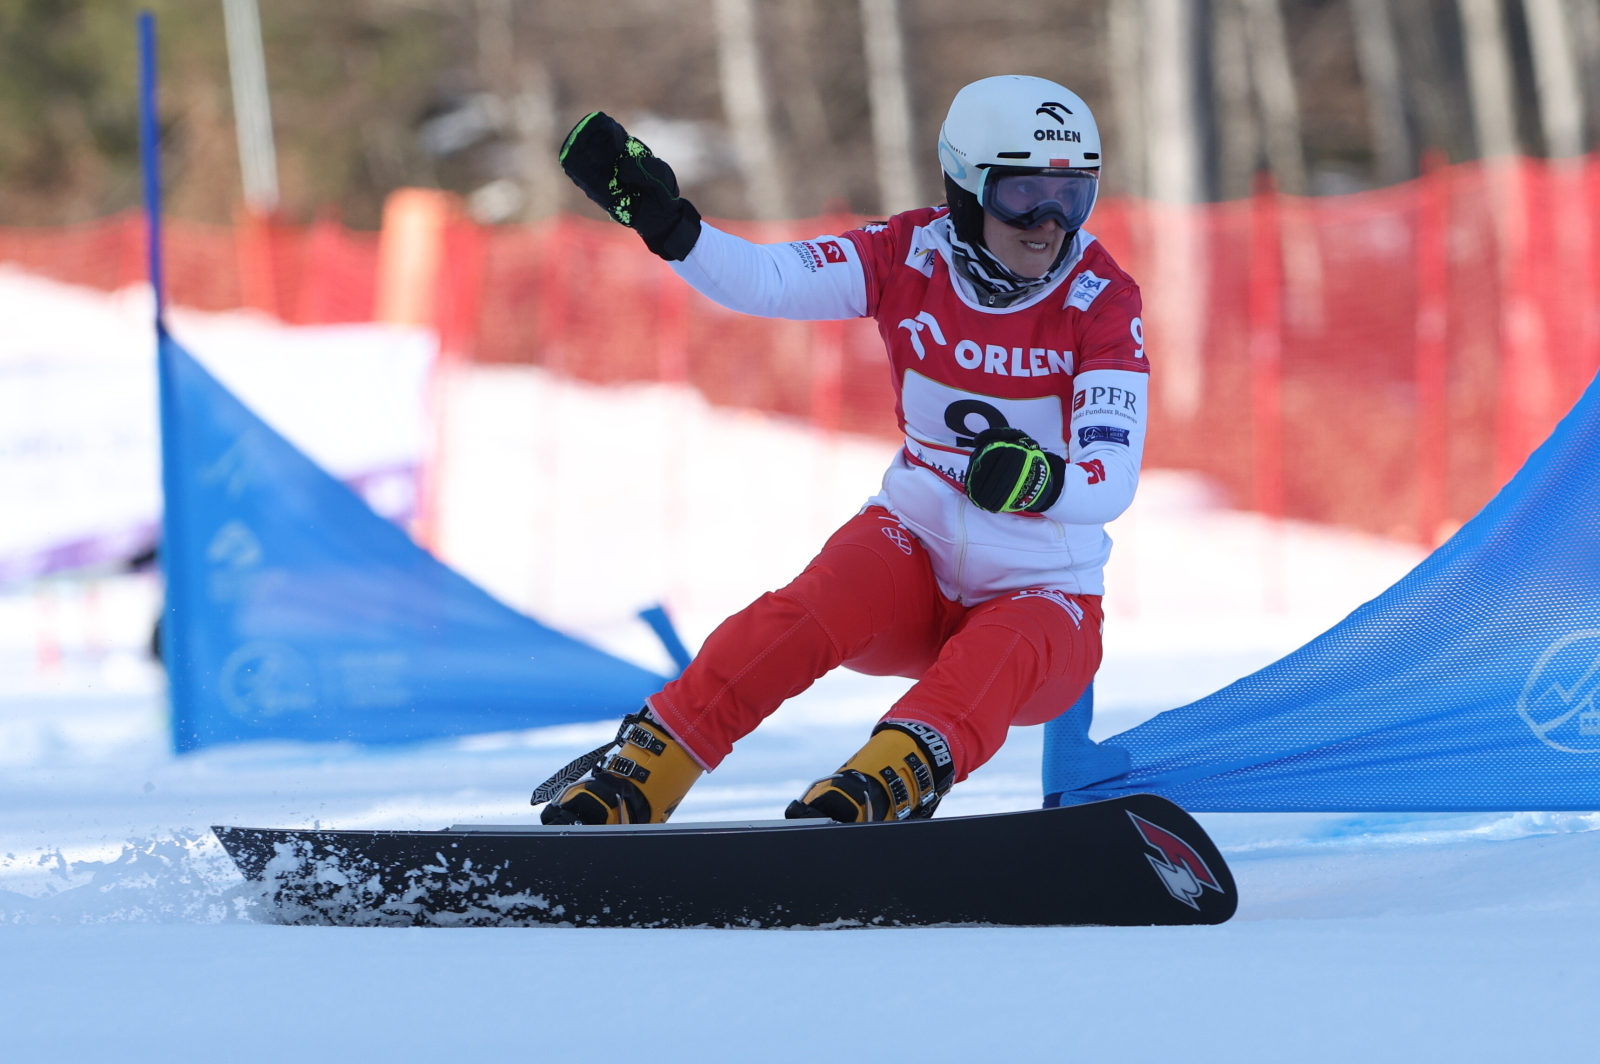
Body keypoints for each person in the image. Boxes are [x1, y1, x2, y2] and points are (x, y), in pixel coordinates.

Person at [541, 74, 1147, 825]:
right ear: (964, 186)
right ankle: (646, 770)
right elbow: (768, 280)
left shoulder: (1101, 297)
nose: (1048, 224)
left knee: (999, 651)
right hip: (914, 555)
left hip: (1044, 592)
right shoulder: (908, 254)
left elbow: (1112, 478)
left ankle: (881, 782)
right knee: (811, 606)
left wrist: (1039, 481)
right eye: (1023, 195)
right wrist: (672, 227)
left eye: (1072, 197)